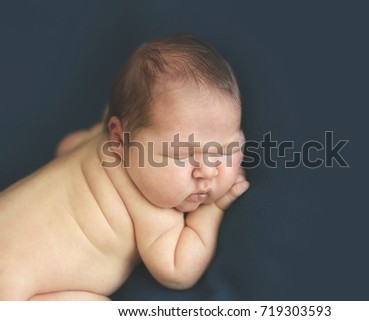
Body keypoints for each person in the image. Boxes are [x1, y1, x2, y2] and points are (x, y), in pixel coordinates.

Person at [0, 35, 249, 300]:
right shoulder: (150, 205)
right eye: (181, 155)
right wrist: (214, 209)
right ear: (119, 138)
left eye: (225, 150)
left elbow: (66, 145)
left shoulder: (99, 141)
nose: (209, 171)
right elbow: (177, 271)